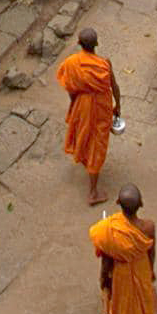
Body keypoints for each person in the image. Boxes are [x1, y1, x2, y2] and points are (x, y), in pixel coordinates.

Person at [91, 184, 157, 314]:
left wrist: (104, 277)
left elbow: (106, 259)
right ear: (141, 205)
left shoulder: (110, 229)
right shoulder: (149, 227)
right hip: (142, 270)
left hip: (120, 275)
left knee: (122, 308)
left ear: (118, 204)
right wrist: (151, 271)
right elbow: (152, 252)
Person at [56, 28, 120, 204]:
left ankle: (87, 162)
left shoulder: (71, 63)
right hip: (102, 106)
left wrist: (74, 103)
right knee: (97, 144)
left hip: (82, 104)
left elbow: (70, 88)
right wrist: (118, 106)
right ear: (97, 44)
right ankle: (93, 192)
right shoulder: (105, 64)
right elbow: (115, 87)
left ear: (79, 44)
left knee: (83, 134)